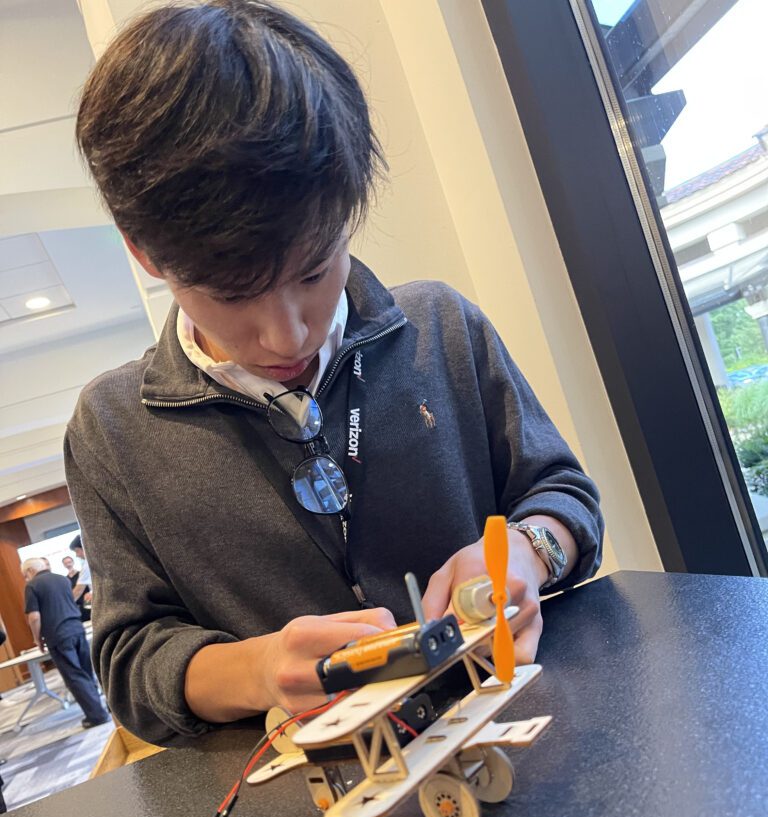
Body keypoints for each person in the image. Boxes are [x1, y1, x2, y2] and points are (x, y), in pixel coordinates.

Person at [65, 0, 604, 745]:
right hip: (311, 815)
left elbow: (565, 496)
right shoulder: (115, 429)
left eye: (316, 272)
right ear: (146, 254)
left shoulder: (440, 330)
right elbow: (128, 660)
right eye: (232, 295)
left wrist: (528, 549)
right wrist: (255, 670)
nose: (286, 332)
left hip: (529, 737)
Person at [21, 558, 109, 729]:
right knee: (85, 671)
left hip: (58, 635)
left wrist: (37, 638)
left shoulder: (32, 586)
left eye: (25, 575)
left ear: (31, 570)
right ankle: (100, 709)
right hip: (77, 628)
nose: (26, 578)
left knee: (74, 676)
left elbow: (34, 616)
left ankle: (96, 716)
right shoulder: (62, 580)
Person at [62, 553, 90, 623]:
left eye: (69, 562)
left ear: (73, 562)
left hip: (87, 604)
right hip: (76, 608)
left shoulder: (82, 574)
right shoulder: (65, 579)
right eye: (65, 563)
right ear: (64, 565)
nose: (68, 564)